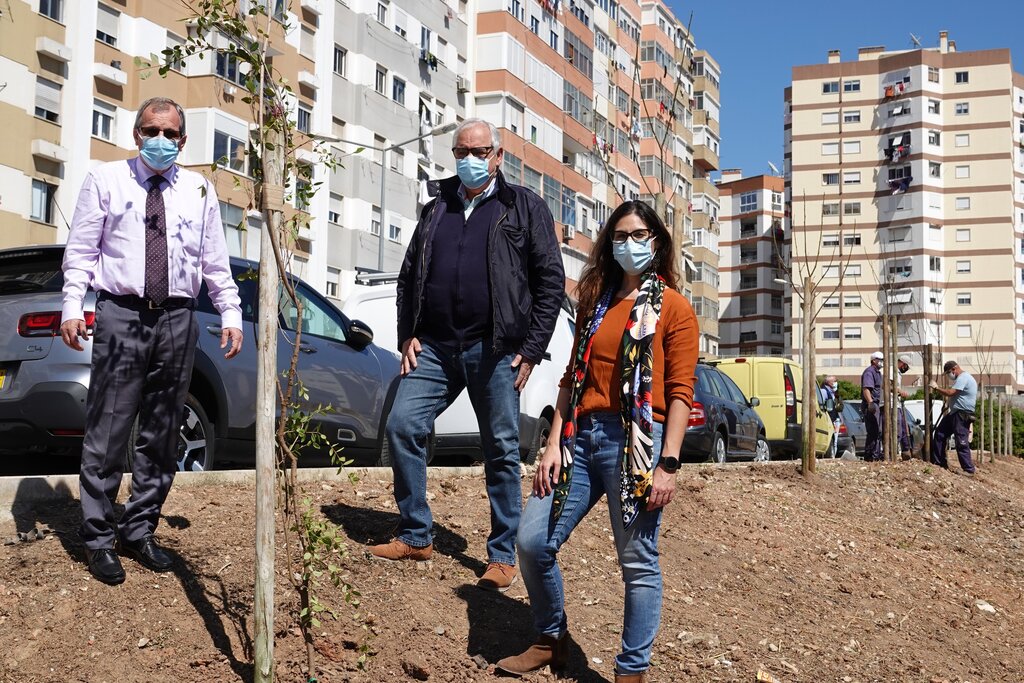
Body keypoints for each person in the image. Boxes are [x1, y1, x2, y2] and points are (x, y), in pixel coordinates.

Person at [495, 201, 699, 683]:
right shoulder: (596, 300)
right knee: (532, 540)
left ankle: (631, 672)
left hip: (636, 444)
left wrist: (668, 464)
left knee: (637, 562)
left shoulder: (674, 307)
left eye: (640, 234)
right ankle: (551, 639)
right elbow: (572, 376)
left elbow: (680, 394)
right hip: (579, 439)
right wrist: (551, 444)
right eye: (621, 235)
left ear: (657, 241)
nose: (630, 243)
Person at [368, 118, 565, 592]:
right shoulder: (437, 207)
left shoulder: (524, 207)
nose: (470, 160)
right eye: (462, 152)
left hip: (495, 349)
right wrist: (407, 335)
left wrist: (532, 349)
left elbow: (550, 282)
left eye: (479, 151)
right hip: (435, 347)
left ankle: (502, 554)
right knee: (402, 426)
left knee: (500, 448)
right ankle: (416, 534)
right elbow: (408, 276)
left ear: (498, 156)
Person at [60, 97, 243, 585]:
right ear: (136, 134)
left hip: (179, 318)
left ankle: (139, 529)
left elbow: (214, 261)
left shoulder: (199, 189)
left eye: (169, 133)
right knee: (109, 429)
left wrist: (230, 312)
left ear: (182, 141)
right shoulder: (106, 180)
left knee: (163, 432)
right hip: (121, 314)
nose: (159, 140)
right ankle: (99, 538)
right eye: (150, 130)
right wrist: (72, 306)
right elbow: (81, 251)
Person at [929, 361, 977, 473]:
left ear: (954, 369)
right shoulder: (963, 378)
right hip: (955, 413)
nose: (948, 376)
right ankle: (939, 463)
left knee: (961, 441)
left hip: (961, 414)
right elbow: (957, 395)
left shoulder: (963, 378)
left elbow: (951, 392)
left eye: (948, 373)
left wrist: (936, 388)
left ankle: (969, 469)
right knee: (940, 434)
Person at [860, 352, 884, 461]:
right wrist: (870, 403)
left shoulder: (878, 373)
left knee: (877, 431)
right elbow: (866, 389)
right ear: (874, 360)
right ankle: (870, 456)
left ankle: (875, 454)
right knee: (873, 430)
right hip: (871, 404)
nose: (882, 362)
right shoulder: (869, 372)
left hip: (876, 404)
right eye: (880, 360)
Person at [895, 355, 913, 459]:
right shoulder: (892, 372)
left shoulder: (898, 374)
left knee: (903, 429)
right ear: (903, 364)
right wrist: (900, 391)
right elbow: (888, 385)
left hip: (897, 404)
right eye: (906, 367)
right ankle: (892, 453)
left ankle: (906, 452)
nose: (906, 369)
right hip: (892, 404)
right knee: (897, 430)